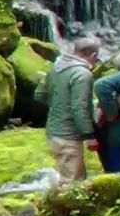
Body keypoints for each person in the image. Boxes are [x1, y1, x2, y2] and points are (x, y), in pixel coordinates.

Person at [42, 35, 104, 183]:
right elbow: (79, 107)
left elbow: (40, 94)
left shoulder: (56, 67)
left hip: (53, 131)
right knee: (72, 182)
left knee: (70, 178)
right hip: (68, 135)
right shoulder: (83, 74)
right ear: (93, 55)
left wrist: (59, 106)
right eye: (97, 59)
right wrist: (89, 136)